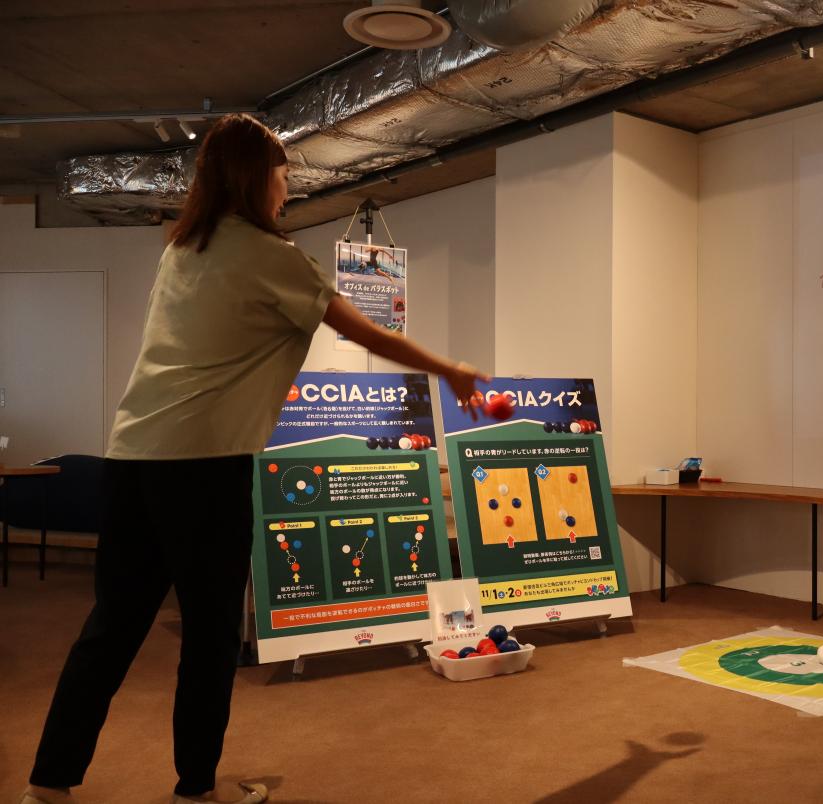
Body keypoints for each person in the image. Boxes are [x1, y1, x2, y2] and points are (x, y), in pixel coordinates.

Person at [21, 114, 486, 804]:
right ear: (256, 176)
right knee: (210, 635)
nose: (286, 189)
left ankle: (46, 786)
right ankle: (195, 791)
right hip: (205, 465)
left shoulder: (182, 249)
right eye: (282, 174)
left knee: (111, 627)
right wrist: (451, 371)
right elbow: (367, 333)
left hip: (132, 456)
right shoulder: (272, 255)